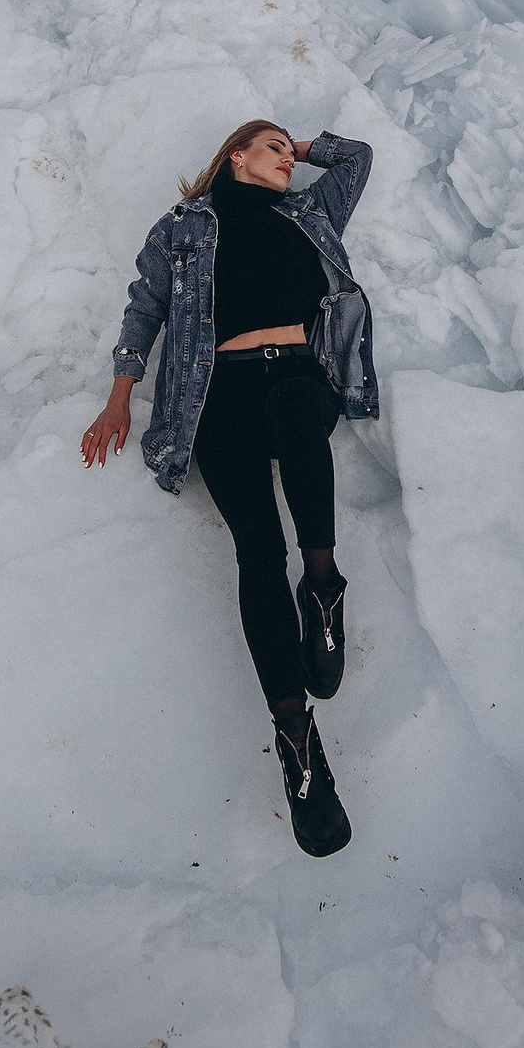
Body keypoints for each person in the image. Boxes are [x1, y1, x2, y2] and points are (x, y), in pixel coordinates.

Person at [82, 120, 380, 857]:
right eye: (269, 147)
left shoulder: (307, 213)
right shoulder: (183, 227)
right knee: (256, 551)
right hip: (215, 397)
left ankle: (323, 586)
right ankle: (297, 742)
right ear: (234, 154)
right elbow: (144, 305)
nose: (285, 159)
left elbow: (358, 158)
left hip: (297, 377)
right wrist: (121, 393)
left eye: (288, 150)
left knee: (294, 410)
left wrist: (304, 149)